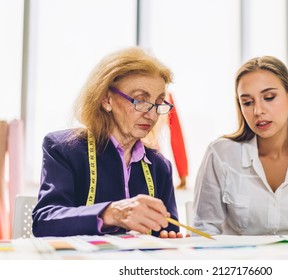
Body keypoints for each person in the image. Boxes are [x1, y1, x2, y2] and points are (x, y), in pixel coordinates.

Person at [32, 47, 183, 238]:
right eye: (140, 100)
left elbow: (168, 230)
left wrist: (170, 240)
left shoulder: (160, 167)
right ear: (106, 99)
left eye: (158, 102)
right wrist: (111, 213)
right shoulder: (63, 149)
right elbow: (44, 222)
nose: (152, 114)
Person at [193, 56, 288, 235]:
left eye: (268, 98)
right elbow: (203, 230)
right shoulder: (221, 154)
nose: (258, 111)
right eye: (247, 102)